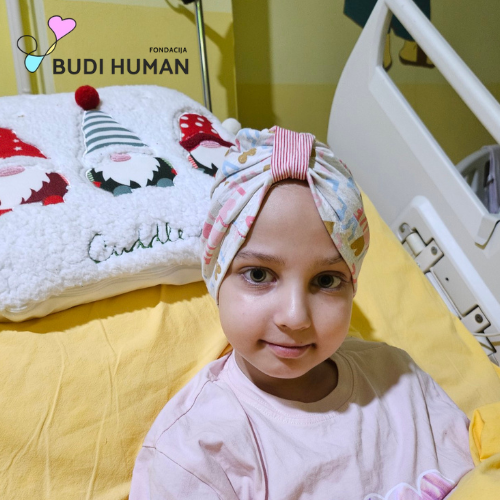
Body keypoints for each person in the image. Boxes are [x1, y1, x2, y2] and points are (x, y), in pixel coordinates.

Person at [129, 126, 473, 499]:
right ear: (216, 277)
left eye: (326, 281)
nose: (295, 317)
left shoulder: (400, 380)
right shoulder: (193, 453)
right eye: (259, 275)